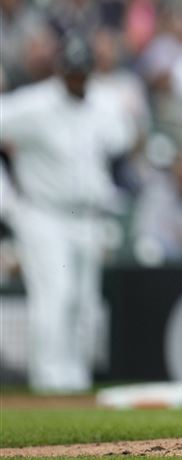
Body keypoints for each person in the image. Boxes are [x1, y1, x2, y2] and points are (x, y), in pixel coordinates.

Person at [0, 35, 135, 392]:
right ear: (60, 70)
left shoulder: (105, 102)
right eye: (71, 71)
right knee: (54, 296)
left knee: (83, 303)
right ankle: (49, 383)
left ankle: (75, 381)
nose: (77, 79)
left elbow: (121, 145)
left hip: (87, 217)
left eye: (82, 71)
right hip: (43, 214)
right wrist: (7, 199)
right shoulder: (33, 104)